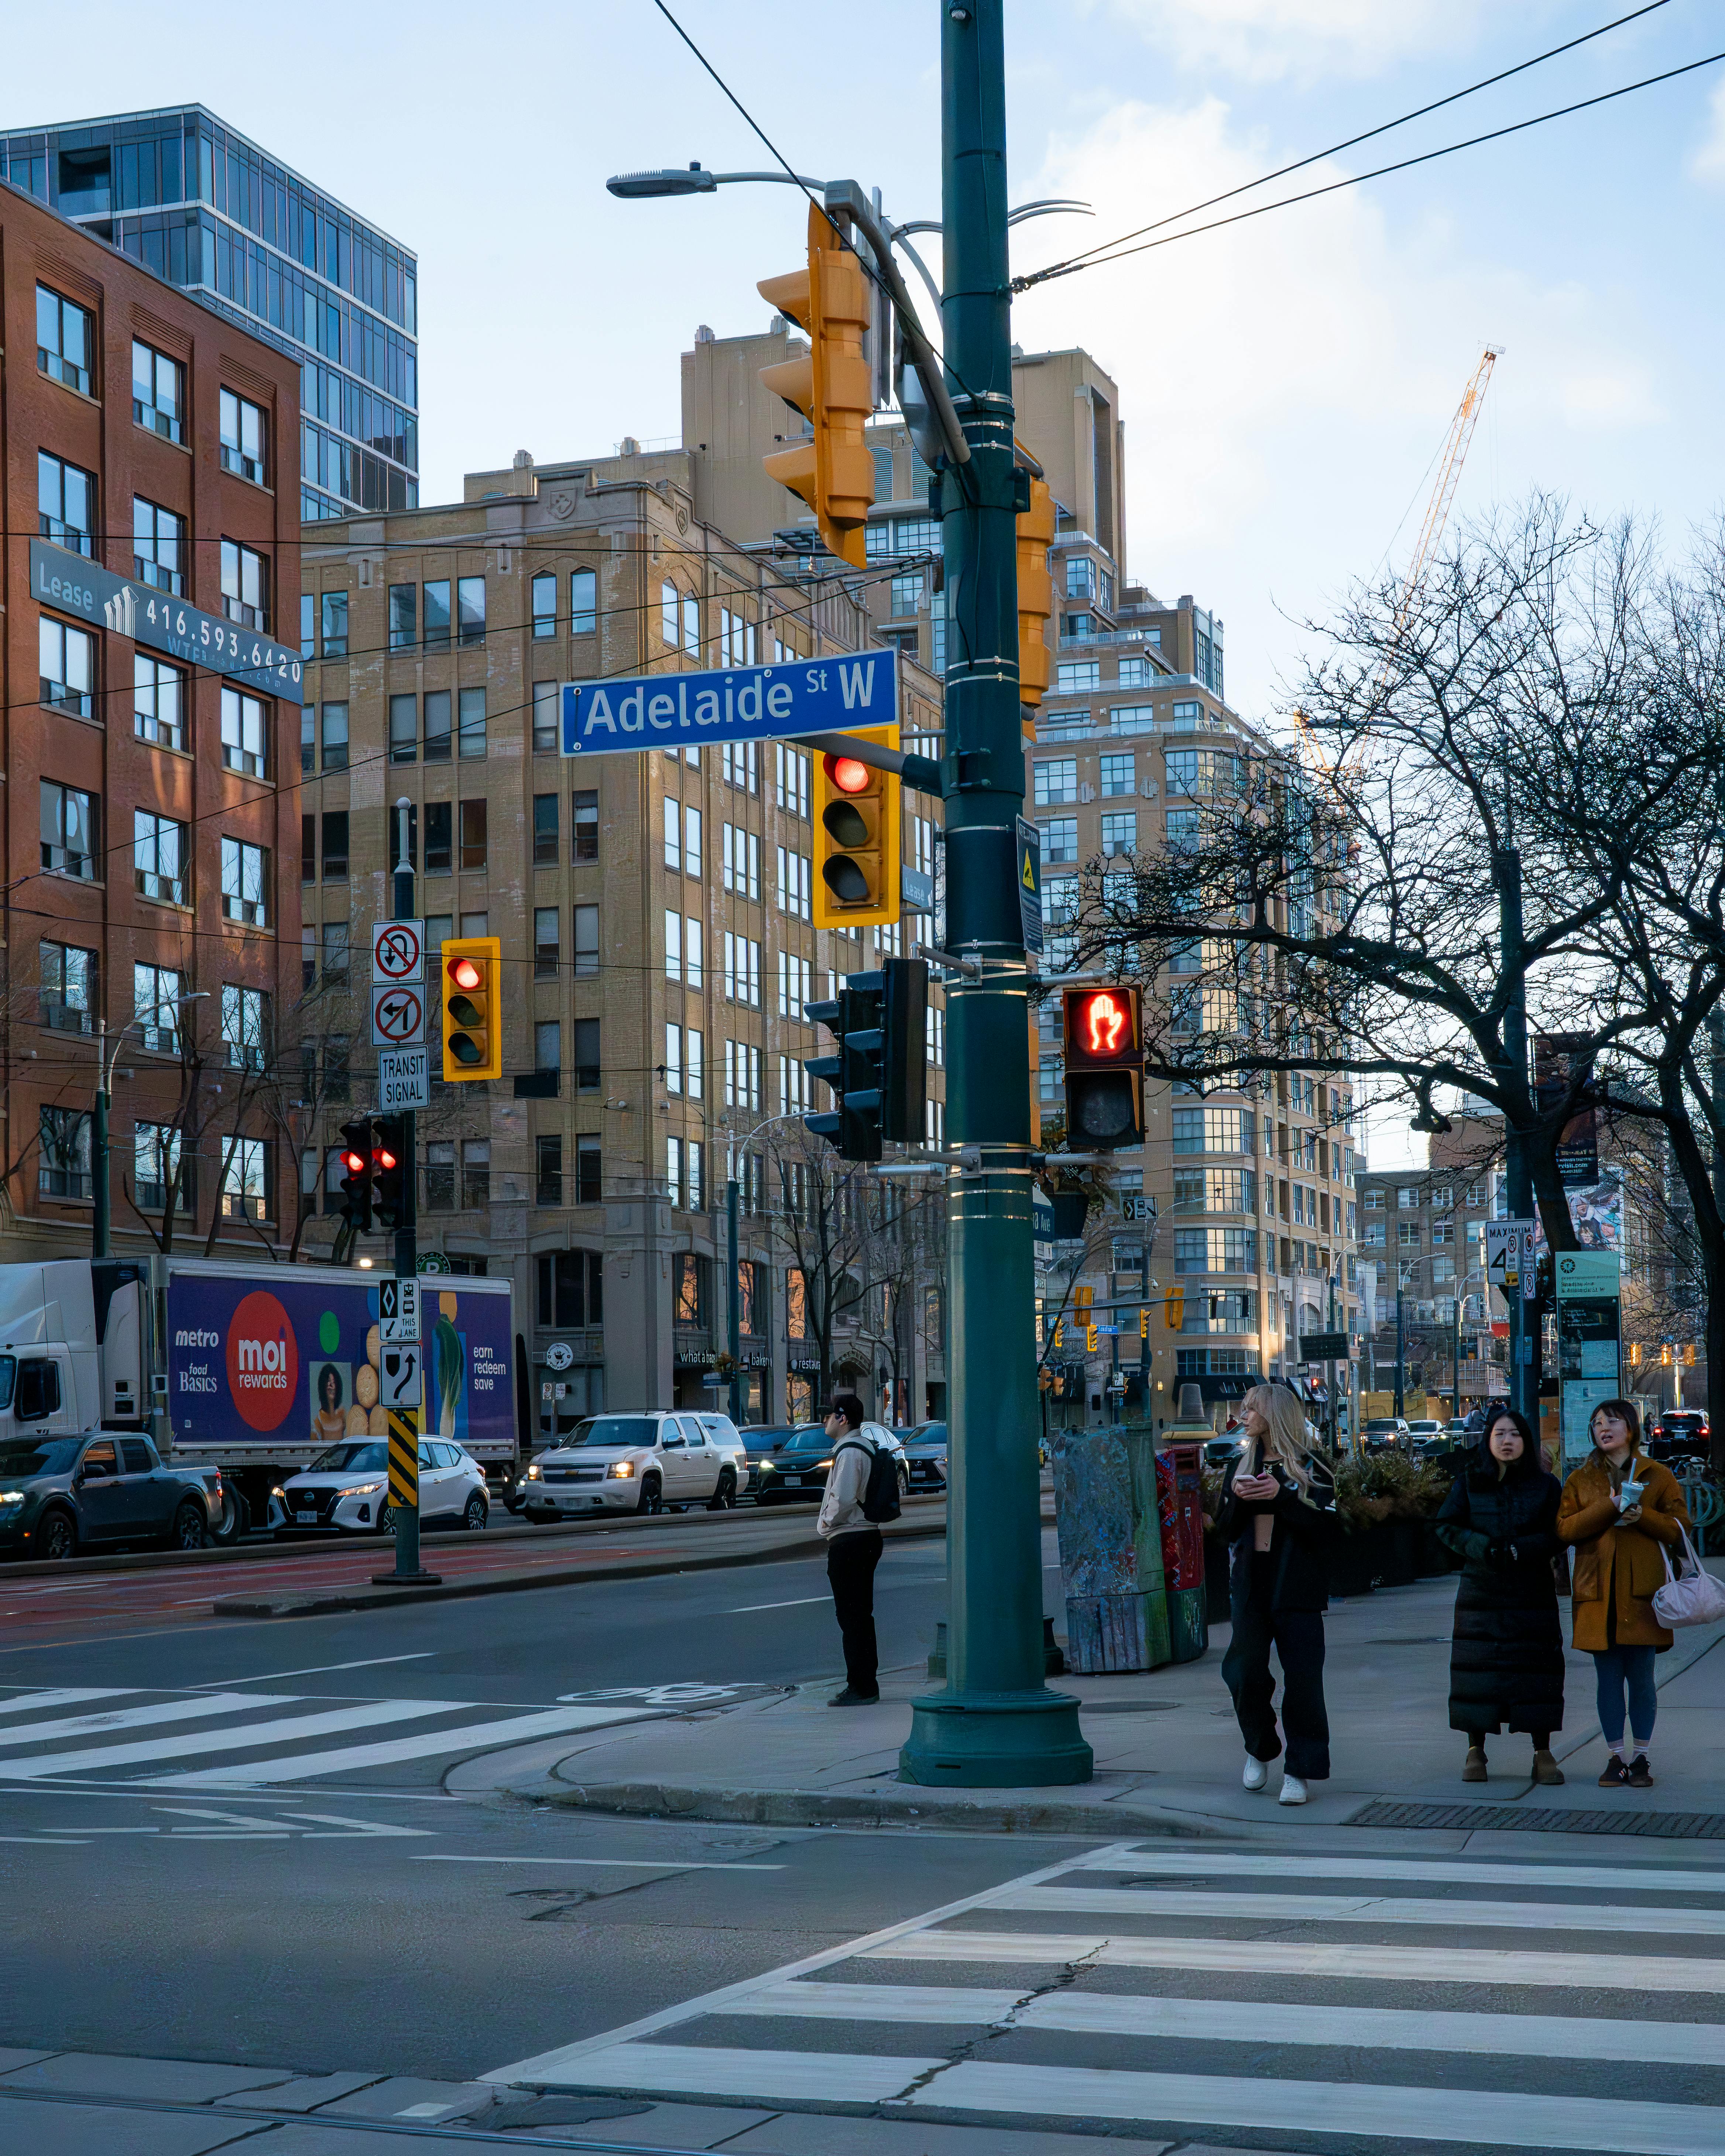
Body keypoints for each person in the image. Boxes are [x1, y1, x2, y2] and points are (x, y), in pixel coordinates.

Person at [1215, 1382, 1339, 1806]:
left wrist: (1281, 1495)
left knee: (1303, 1683)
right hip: (1251, 1584)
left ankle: (1299, 1771)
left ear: (1275, 1413)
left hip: (1297, 1587)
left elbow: (1329, 1531)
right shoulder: (1241, 1462)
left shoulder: (1313, 1465)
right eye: (1244, 1408)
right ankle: (1260, 1747)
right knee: (1242, 1672)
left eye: (1251, 1408)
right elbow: (1225, 1530)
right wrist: (1236, 1500)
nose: (1243, 1414)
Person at [1557, 1398, 1689, 1788]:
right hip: (1597, 1590)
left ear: (1630, 1428)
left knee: (1643, 1679)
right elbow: (1564, 1529)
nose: (1603, 1428)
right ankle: (1616, 1757)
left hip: (1644, 1594)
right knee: (1608, 1679)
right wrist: (1609, 1508)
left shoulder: (1658, 1475)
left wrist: (1642, 1516)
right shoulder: (1580, 1479)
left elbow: (1680, 1528)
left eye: (1611, 1421)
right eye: (1597, 1422)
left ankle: (1642, 1758)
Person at [1434, 1409, 1565, 1784]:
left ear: (1526, 1441)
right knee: (1478, 1673)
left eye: (1514, 1434)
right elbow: (1446, 1526)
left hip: (1532, 1593)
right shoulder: (1469, 1482)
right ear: (1487, 1441)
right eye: (1498, 1434)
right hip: (1481, 1592)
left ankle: (1542, 1750)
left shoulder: (1545, 1486)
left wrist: (1523, 1549)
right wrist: (1482, 1547)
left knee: (1537, 1673)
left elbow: (1558, 1532)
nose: (1506, 1441)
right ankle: (1475, 1749)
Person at [816, 1394, 884, 1706]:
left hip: (850, 1541)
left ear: (843, 1419)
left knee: (852, 1618)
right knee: (861, 1616)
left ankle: (861, 1686)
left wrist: (826, 1525)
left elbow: (842, 1500)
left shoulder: (849, 1453)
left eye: (829, 1416)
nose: (825, 1421)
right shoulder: (863, 1447)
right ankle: (866, 1682)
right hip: (865, 1538)